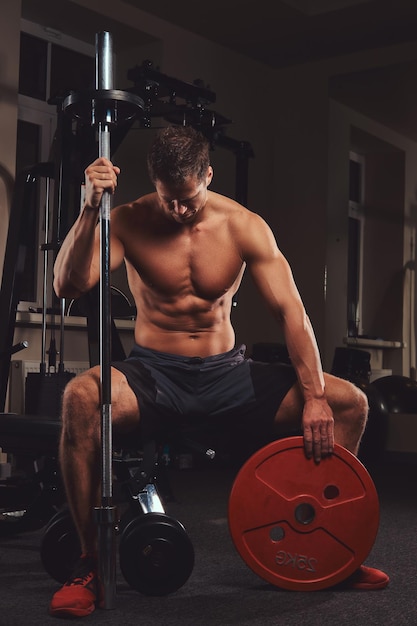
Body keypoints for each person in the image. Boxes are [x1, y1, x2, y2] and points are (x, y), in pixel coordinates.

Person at [49, 125, 389, 618]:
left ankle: (327, 550)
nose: (180, 210)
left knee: (348, 403)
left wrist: (314, 395)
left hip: (228, 375)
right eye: (169, 200)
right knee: (80, 398)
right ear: (153, 183)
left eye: (188, 198)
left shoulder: (243, 226)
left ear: (208, 175)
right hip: (154, 375)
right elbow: (67, 284)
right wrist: (88, 209)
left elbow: (291, 313)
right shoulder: (126, 220)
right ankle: (89, 566)